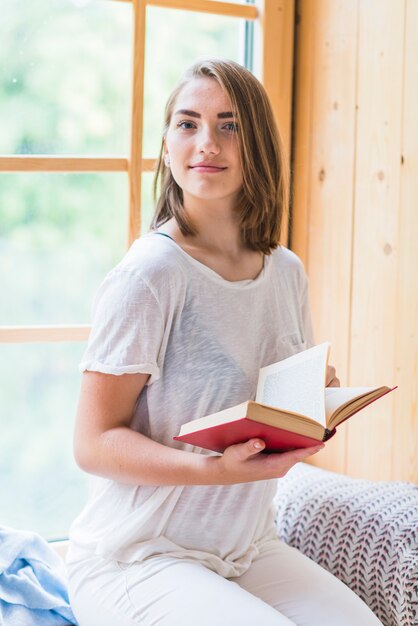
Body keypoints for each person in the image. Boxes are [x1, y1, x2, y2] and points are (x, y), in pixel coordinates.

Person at [67, 58, 382, 626]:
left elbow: (266, 405)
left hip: (246, 548)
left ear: (256, 144)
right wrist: (212, 471)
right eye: (187, 124)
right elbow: (93, 443)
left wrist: (312, 406)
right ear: (167, 147)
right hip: (136, 558)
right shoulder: (150, 275)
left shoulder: (285, 271)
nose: (205, 142)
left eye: (228, 125)